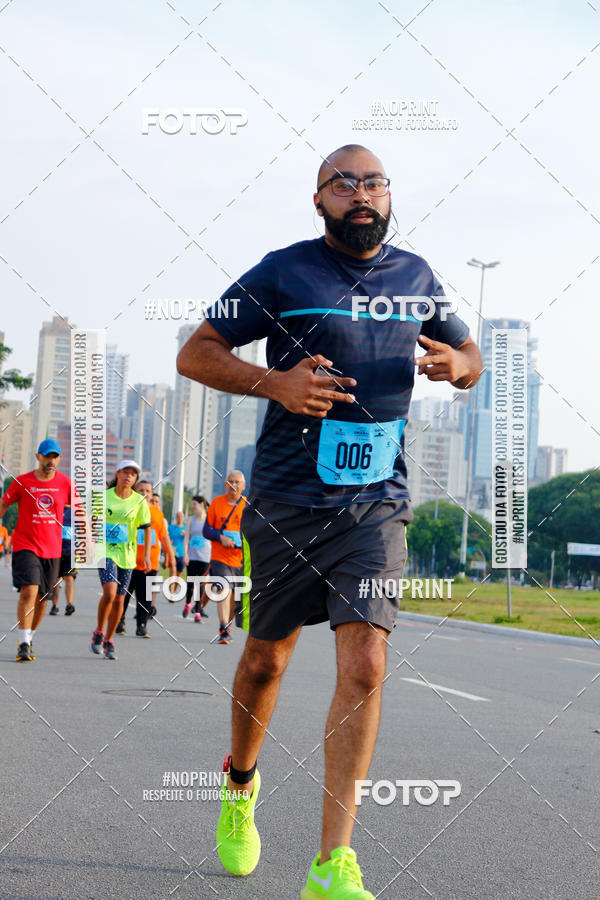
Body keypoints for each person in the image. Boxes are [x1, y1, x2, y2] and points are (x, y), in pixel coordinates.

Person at [177, 144, 482, 897]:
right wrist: (274, 383)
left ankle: (331, 864)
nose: (361, 194)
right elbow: (196, 352)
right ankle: (240, 784)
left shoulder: (416, 277)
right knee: (265, 661)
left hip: (376, 502)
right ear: (319, 201)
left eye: (374, 183)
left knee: (368, 662)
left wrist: (461, 367)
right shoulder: (284, 272)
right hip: (287, 501)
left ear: (389, 196)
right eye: (343, 185)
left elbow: (469, 353)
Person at [0, 439, 73, 662]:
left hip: (52, 550)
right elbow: (4, 504)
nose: (51, 461)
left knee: (42, 599)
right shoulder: (23, 482)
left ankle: (29, 637)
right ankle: (23, 643)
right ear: (38, 457)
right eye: (47, 456)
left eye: (55, 457)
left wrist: (88, 538)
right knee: (29, 591)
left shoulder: (65, 483)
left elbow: (80, 510)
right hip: (26, 545)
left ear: (59, 459)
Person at [90, 460, 151, 659]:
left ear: (135, 479)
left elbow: (147, 528)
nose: (128, 476)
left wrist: (147, 555)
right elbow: (91, 521)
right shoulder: (103, 497)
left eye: (132, 474)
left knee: (120, 599)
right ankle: (99, 631)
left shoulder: (139, 501)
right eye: (125, 472)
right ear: (117, 474)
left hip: (127, 554)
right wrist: (90, 542)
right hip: (105, 551)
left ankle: (109, 639)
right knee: (110, 592)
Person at [118, 479, 175, 638]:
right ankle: (120, 621)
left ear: (151, 494)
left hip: (150, 562)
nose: (144, 493)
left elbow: (164, 536)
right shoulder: (128, 508)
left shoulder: (157, 513)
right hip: (128, 560)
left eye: (148, 491)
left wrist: (170, 556)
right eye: (141, 490)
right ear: (135, 492)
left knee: (145, 596)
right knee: (124, 594)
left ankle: (141, 625)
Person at [201, 473, 246, 643]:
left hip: (241, 559)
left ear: (243, 486)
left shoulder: (249, 505)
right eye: (230, 482)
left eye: (237, 482)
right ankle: (223, 628)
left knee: (236, 599)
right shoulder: (216, 503)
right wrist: (221, 537)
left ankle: (227, 624)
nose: (234, 485)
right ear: (225, 485)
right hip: (220, 557)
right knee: (224, 589)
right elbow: (206, 530)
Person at [182, 495, 211, 621]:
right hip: (192, 556)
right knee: (191, 584)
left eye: (195, 504)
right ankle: (188, 603)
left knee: (201, 584)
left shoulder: (209, 520)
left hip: (205, 557)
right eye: (192, 504)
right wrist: (185, 554)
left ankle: (197, 612)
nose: (193, 506)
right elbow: (186, 538)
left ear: (202, 504)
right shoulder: (190, 520)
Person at [49, 505, 77, 616]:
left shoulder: (76, 510)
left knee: (69, 577)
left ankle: (69, 604)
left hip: (71, 550)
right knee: (56, 579)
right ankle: (54, 606)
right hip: (55, 549)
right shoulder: (55, 508)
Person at [168, 511, 186, 578]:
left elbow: (190, 540)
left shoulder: (186, 528)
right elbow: (166, 537)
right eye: (178, 517)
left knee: (179, 574)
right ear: (176, 518)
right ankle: (171, 584)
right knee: (172, 572)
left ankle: (176, 585)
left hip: (182, 554)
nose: (180, 518)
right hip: (173, 553)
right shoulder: (170, 527)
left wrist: (185, 535)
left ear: (183, 518)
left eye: (181, 517)